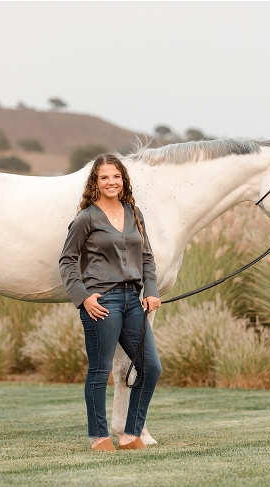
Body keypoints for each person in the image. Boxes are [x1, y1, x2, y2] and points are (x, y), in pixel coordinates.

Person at [59, 154, 162, 452]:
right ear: (96, 182)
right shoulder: (86, 218)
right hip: (102, 302)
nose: (111, 182)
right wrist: (83, 297)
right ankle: (98, 436)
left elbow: (146, 257)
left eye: (116, 176)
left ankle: (130, 433)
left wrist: (151, 289)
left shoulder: (134, 212)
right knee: (100, 370)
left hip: (133, 300)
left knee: (150, 367)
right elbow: (67, 261)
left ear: (123, 180)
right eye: (104, 177)